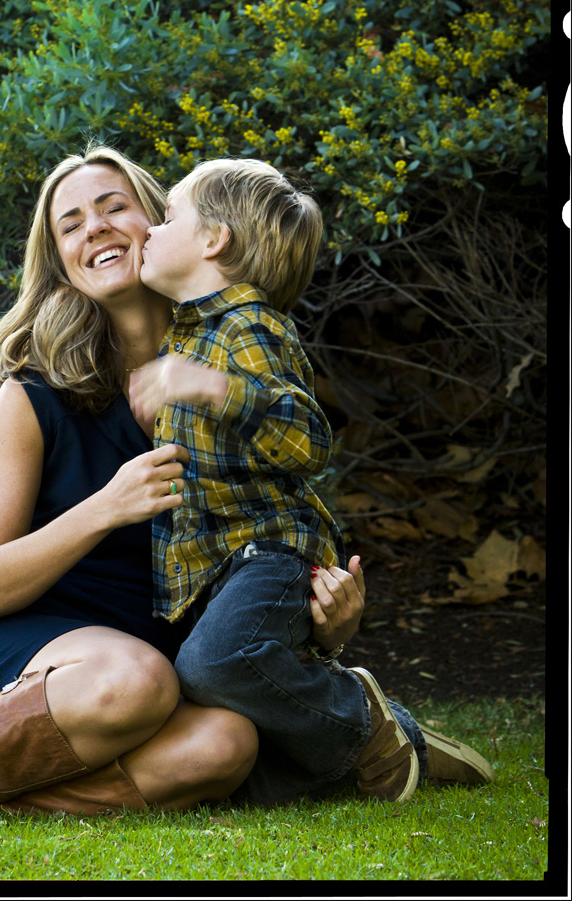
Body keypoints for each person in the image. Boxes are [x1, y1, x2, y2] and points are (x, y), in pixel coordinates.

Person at [0, 146, 485, 824]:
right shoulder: (34, 399)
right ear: (59, 261)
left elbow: (271, 523)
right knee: (133, 676)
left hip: (162, 677)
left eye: (114, 206)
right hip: (40, 666)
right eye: (70, 223)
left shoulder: (227, 369)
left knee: (225, 743)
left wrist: (328, 629)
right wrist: (105, 507)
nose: (95, 228)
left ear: (162, 226)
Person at [129, 157, 493, 805]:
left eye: (168, 217)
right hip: (217, 569)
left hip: (267, 552)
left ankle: (365, 722)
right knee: (217, 705)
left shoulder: (248, 328)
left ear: (215, 240)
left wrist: (208, 386)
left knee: (214, 664)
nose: (151, 231)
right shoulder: (189, 335)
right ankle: (403, 735)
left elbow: (306, 440)